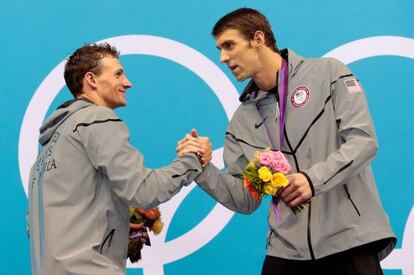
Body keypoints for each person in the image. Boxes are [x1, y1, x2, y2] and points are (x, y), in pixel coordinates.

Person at [177, 8, 396, 275]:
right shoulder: (242, 120)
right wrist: (202, 168)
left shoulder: (328, 73)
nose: (223, 57)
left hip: (348, 238)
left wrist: (312, 179)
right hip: (286, 249)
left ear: (258, 39)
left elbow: (363, 142)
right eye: (219, 49)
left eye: (229, 45)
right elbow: (245, 199)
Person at [27, 43, 211, 275]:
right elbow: (144, 190)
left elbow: (55, 220)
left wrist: (119, 222)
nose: (127, 83)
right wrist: (192, 159)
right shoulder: (97, 120)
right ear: (91, 79)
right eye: (118, 74)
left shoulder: (50, 146)